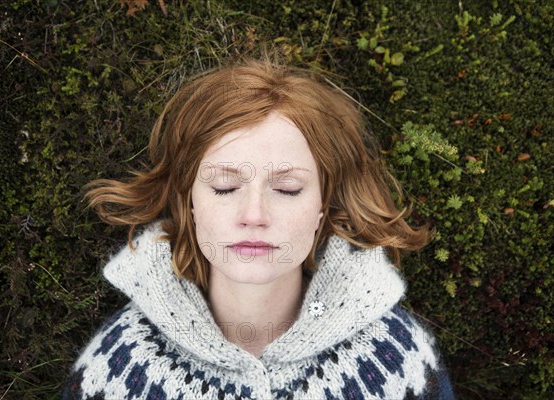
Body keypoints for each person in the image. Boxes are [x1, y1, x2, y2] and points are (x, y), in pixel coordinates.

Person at [63, 58, 455, 399]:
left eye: (287, 189)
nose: (254, 214)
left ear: (322, 206)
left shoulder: (397, 358)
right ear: (191, 203)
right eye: (225, 187)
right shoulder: (117, 366)